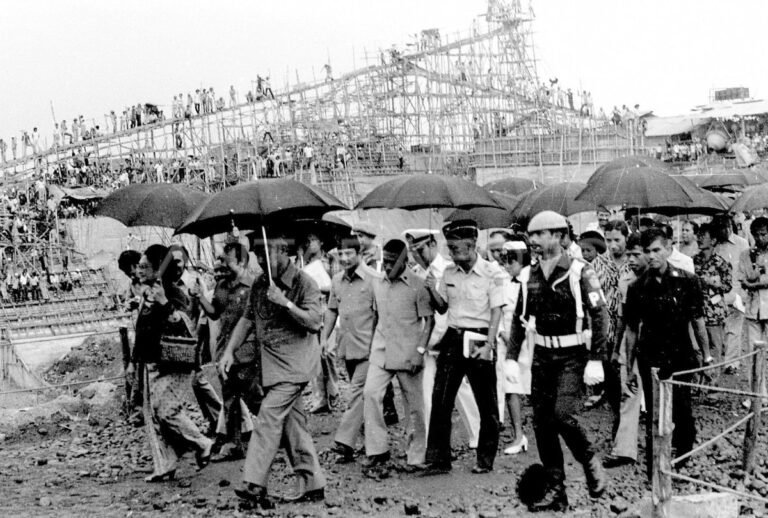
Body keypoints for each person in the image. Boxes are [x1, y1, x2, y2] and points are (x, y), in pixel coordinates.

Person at [507, 211, 608, 512]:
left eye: (539, 235)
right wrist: (512, 357)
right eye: (531, 236)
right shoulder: (529, 275)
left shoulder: (580, 271)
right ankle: (556, 490)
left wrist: (596, 359)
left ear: (558, 236)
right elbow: (518, 319)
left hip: (572, 357)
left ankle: (589, 461)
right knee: (542, 423)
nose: (533, 241)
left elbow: (600, 315)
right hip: (542, 357)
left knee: (563, 414)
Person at [220, 233, 326, 507]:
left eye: (265, 254)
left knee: (267, 418)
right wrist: (230, 350)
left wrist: (285, 302)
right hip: (271, 367)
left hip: (295, 367)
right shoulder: (260, 283)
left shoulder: (305, 283)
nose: (260, 261)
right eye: (256, 256)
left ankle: (254, 484)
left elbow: (315, 322)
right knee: (293, 425)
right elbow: (246, 320)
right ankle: (313, 483)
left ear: (283, 251)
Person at [625, 228, 711, 481]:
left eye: (656, 250)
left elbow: (698, 322)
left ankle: (682, 456)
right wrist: (628, 366)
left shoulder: (687, 281)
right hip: (650, 356)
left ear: (668, 248)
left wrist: (707, 358)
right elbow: (631, 329)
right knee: (654, 412)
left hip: (681, 355)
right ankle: (656, 469)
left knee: (682, 409)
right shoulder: (638, 287)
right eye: (647, 252)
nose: (651, 256)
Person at [423, 219, 503, 476]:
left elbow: (496, 311)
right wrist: (430, 289)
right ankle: (438, 459)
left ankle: (485, 458)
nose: (451, 253)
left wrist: (489, 344)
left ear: (471, 246)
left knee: (486, 402)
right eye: (449, 248)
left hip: (480, 338)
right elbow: (443, 308)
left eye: (456, 248)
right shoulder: (448, 273)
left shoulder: (493, 273)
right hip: (453, 338)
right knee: (441, 399)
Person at [129, 244, 213, 482]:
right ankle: (165, 464)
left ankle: (202, 442)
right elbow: (142, 331)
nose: (139, 271)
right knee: (154, 414)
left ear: (158, 268)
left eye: (145, 266)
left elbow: (185, 327)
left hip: (171, 362)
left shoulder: (174, 294)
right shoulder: (146, 294)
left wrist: (165, 303)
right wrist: (134, 363)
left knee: (166, 412)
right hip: (151, 362)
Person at [403, 228, 481, 451]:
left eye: (420, 249)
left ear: (432, 244)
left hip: (448, 337)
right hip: (428, 341)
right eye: (413, 251)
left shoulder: (448, 268)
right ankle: (430, 444)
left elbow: (448, 309)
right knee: (426, 393)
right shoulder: (418, 272)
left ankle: (477, 432)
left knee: (460, 391)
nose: (417, 255)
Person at [362, 239, 433, 478]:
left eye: (393, 262)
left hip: (408, 352)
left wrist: (420, 352)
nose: (387, 267)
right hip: (381, 350)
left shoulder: (418, 286)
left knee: (414, 407)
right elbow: (375, 316)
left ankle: (416, 455)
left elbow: (429, 321)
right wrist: (371, 345)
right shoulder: (377, 283)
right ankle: (377, 450)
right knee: (370, 394)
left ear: (405, 261)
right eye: (385, 261)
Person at [192, 241, 258, 462]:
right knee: (230, 399)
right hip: (224, 350)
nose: (220, 264)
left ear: (240, 262)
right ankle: (233, 444)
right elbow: (213, 314)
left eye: (225, 260)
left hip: (248, 351)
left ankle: (282, 434)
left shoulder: (254, 286)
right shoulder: (221, 286)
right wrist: (200, 297)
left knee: (254, 397)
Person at [324, 235, 378, 464]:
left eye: (349, 254)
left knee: (357, 394)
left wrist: (378, 345)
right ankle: (371, 445)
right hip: (347, 348)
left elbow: (381, 315)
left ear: (359, 253)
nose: (345, 258)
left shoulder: (374, 279)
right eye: (341, 254)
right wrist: (324, 339)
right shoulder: (336, 280)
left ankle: (344, 443)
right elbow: (331, 311)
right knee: (362, 398)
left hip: (370, 348)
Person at [603, 232, 646, 468]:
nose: (630, 259)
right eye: (628, 254)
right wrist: (617, 349)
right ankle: (624, 449)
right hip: (629, 344)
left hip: (654, 344)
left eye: (636, 254)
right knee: (628, 395)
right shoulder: (625, 278)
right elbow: (622, 317)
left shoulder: (657, 279)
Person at [498, 237, 532, 455]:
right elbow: (499, 309)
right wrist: (502, 332)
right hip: (507, 341)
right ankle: (518, 435)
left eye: (512, 261)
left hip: (530, 340)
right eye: (505, 261)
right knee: (511, 388)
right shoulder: (503, 281)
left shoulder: (533, 280)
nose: (507, 266)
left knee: (537, 388)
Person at [300, 233, 338, 414]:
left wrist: (316, 286)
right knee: (315, 356)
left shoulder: (331, 261)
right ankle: (321, 397)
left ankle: (333, 390)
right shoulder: (302, 263)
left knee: (328, 353)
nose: (310, 243)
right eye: (307, 241)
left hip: (329, 311)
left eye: (313, 239)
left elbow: (337, 286)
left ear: (321, 241)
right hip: (312, 311)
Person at [694, 223, 732, 384]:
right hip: (696, 312)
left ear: (714, 240)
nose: (699, 238)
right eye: (699, 235)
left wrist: (714, 283)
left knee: (715, 349)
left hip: (714, 312)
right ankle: (699, 382)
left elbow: (727, 285)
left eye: (704, 236)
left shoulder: (721, 263)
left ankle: (713, 386)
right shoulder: (692, 261)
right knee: (697, 348)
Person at [713, 215, 750, 374]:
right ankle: (719, 360)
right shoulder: (715, 245)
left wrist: (743, 293)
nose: (725, 230)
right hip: (718, 294)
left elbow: (746, 266)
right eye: (721, 227)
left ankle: (731, 363)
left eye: (727, 226)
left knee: (734, 331)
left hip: (737, 294)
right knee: (720, 330)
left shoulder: (742, 244)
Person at [738, 217, 768, 393]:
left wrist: (754, 284)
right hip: (753, 309)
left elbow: (754, 283)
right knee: (753, 353)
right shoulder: (746, 254)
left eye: (763, 234)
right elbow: (742, 278)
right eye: (756, 235)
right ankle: (758, 394)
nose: (760, 239)